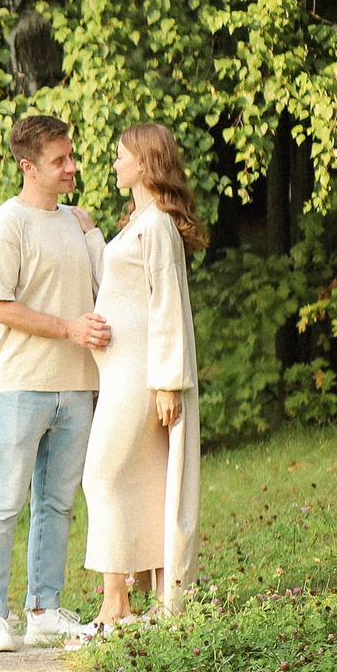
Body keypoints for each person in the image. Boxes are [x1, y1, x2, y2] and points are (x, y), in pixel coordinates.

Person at [0, 114, 107, 653]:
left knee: (57, 504)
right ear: (28, 167)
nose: (72, 167)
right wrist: (70, 329)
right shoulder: (4, 226)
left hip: (75, 384)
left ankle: (44, 611)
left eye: (71, 156)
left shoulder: (75, 222)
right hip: (18, 384)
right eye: (59, 161)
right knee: (3, 501)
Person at [73, 122, 207, 641]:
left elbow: (167, 304)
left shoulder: (158, 227)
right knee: (141, 481)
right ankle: (142, 602)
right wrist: (91, 234)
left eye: (120, 156)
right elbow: (118, 286)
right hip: (121, 373)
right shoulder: (138, 223)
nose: (114, 164)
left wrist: (169, 381)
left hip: (141, 376)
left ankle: (115, 606)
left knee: (100, 477)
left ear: (145, 162)